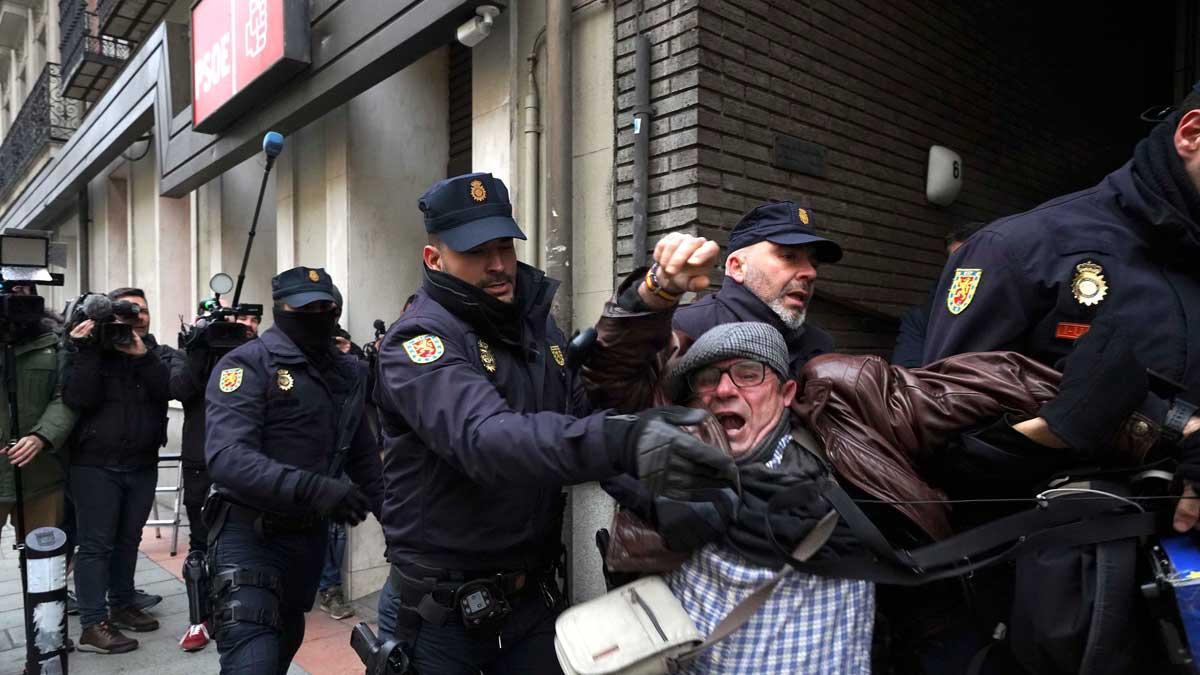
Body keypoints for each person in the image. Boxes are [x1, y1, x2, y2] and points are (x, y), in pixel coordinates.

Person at [584, 257, 1200, 674]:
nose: (725, 393)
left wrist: (1172, 429)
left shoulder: (848, 416)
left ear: (789, 391)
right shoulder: (675, 452)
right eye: (707, 383)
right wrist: (654, 292)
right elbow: (610, 378)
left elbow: (994, 383)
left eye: (748, 376)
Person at [374, 172, 727, 673]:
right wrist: (627, 439)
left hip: (529, 602)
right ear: (435, 259)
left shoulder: (535, 329)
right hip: (441, 618)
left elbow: (577, 423)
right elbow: (486, 439)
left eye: (505, 246)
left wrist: (671, 498)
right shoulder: (418, 342)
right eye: (476, 252)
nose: (498, 265)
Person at [203, 266, 384, 674]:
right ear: (279, 309)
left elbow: (364, 458)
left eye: (326, 307)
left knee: (284, 643)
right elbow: (228, 457)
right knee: (254, 661)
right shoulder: (248, 365)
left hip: (305, 542)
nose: (316, 314)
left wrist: (400, 527)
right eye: (304, 307)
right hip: (247, 535)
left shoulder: (347, 372)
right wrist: (316, 489)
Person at [63, 288, 172, 654]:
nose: (135, 317)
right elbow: (78, 399)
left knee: (129, 540)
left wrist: (142, 357)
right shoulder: (92, 349)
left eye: (141, 310)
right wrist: (88, 350)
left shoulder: (155, 353)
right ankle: (93, 624)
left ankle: (123, 604)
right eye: (126, 312)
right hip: (94, 465)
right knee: (95, 545)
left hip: (142, 463)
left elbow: (169, 390)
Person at [171, 307, 260, 652]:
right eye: (235, 323)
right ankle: (201, 617)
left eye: (251, 321)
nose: (242, 328)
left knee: (248, 536)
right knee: (202, 540)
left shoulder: (264, 356)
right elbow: (179, 389)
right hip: (202, 458)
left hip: (250, 461)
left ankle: (242, 609)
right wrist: (199, 349)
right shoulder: (194, 353)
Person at [671, 200, 843, 377]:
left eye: (814, 263)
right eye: (789, 256)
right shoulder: (683, 330)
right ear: (738, 267)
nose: (810, 272)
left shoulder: (820, 345)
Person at [0, 294, 77, 553]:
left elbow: (66, 396)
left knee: (45, 564)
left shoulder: (55, 345)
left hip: (43, 475)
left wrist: (41, 436)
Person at [891, 221, 984, 367]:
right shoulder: (923, 317)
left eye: (968, 260)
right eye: (955, 262)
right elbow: (907, 372)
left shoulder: (1014, 311)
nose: (961, 270)